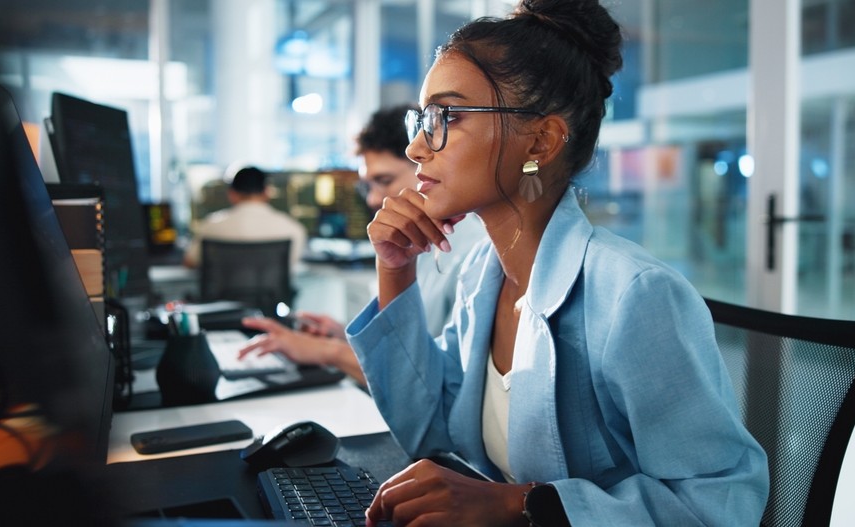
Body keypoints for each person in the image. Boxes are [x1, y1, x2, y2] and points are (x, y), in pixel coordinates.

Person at [344, 1, 770, 526]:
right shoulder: (485, 275)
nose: (415, 147)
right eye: (423, 120)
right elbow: (430, 430)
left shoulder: (634, 295)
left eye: (446, 118)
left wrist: (518, 504)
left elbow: (719, 505)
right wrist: (396, 268)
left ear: (540, 141)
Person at [238, 105, 487, 387]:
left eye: (384, 180)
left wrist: (328, 352)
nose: (371, 200)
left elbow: (422, 384)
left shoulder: (473, 256)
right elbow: (411, 349)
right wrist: (344, 337)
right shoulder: (419, 247)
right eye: (367, 186)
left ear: (426, 163)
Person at [183, 165, 308, 269]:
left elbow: (190, 262)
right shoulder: (293, 229)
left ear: (232, 194)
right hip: (272, 298)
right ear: (267, 192)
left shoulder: (211, 226)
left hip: (222, 298)